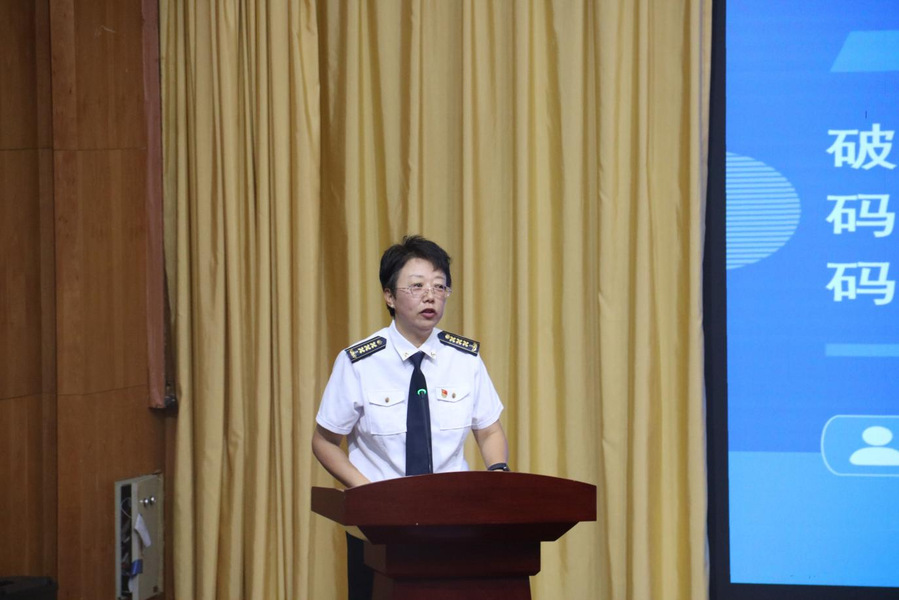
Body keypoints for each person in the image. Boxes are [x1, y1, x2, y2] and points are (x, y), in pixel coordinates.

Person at [312, 235, 509, 599]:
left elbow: (489, 430)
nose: (430, 296)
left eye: (439, 286)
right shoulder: (359, 362)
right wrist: (367, 492)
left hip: (454, 522)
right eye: (417, 286)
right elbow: (324, 441)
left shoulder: (464, 360)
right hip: (378, 526)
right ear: (389, 296)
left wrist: (498, 474)